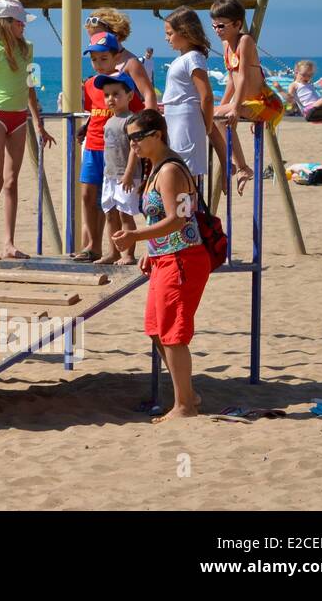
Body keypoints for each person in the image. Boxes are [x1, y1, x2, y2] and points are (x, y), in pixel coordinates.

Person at [112, 110, 212, 423]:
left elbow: (180, 218)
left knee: (173, 334)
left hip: (184, 259)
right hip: (165, 258)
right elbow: (162, 220)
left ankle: (184, 406)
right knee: (157, 330)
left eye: (138, 137)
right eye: (130, 139)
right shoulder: (155, 167)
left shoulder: (170, 170)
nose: (133, 145)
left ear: (157, 134)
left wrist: (136, 236)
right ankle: (188, 395)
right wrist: (151, 250)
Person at [0, 0, 55, 260]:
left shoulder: (28, 49)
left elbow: (31, 87)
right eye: (21, 22)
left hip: (20, 118)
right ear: (7, 24)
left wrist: (39, 123)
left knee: (12, 181)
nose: (24, 27)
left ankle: (8, 242)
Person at [74, 32, 144, 261]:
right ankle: (93, 245)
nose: (98, 64)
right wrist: (85, 127)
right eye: (94, 59)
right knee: (88, 195)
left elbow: (134, 112)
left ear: (116, 57)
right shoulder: (90, 84)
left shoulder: (124, 83)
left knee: (118, 205)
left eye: (104, 58)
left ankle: (120, 251)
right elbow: (96, 113)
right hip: (92, 144)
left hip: (114, 151)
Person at [160, 7, 245, 188]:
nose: (166, 38)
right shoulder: (183, 58)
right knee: (176, 167)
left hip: (186, 120)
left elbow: (206, 95)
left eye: (170, 33)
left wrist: (206, 125)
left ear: (185, 32)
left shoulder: (193, 57)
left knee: (185, 171)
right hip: (176, 117)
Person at [211, 0, 281, 193]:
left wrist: (233, 107)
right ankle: (232, 162)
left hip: (266, 103)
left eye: (221, 26)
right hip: (249, 102)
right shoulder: (226, 46)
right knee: (213, 115)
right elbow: (232, 81)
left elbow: (242, 78)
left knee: (221, 117)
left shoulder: (245, 41)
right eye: (214, 26)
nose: (217, 31)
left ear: (237, 24)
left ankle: (242, 167)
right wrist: (223, 105)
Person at [93, 73, 140, 266]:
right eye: (106, 95)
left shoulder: (130, 120)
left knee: (125, 214)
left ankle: (128, 253)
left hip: (126, 175)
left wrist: (129, 173)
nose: (110, 99)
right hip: (110, 175)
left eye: (115, 94)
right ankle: (113, 252)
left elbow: (135, 149)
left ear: (129, 96)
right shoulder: (110, 121)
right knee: (110, 213)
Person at [85, 9, 157, 111]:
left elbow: (148, 94)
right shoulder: (101, 61)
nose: (94, 42)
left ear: (116, 35)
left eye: (99, 38)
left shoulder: (130, 63)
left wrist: (148, 121)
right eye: (92, 38)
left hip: (129, 120)